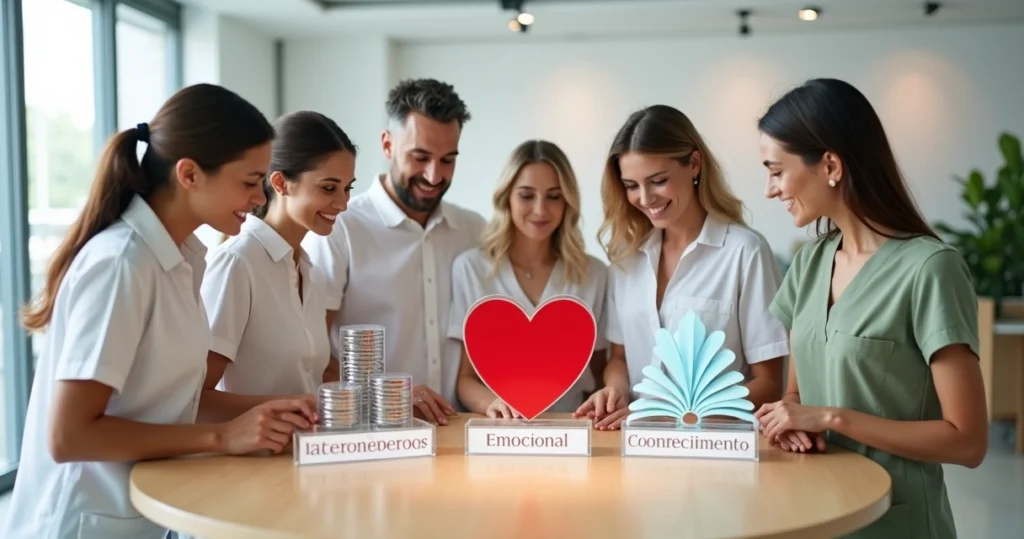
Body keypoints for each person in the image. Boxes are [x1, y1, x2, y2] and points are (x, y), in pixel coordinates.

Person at [0, 84, 317, 539]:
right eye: (249, 182)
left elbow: (174, 399)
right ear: (189, 174)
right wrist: (222, 437)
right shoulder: (120, 264)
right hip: (80, 523)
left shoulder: (183, 259)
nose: (259, 197)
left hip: (144, 515)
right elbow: (70, 436)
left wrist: (277, 409)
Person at [754, 78, 988, 539]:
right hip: (813, 513)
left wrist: (833, 418)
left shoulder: (930, 269)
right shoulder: (809, 263)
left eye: (776, 170)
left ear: (830, 165)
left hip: (893, 521)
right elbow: (799, 397)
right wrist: (789, 419)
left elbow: (969, 440)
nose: (770, 189)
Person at [575, 104, 789, 430]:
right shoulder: (626, 260)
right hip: (636, 447)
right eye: (631, 185)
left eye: (658, 181)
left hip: (718, 452)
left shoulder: (745, 252)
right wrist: (615, 390)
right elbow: (619, 358)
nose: (645, 198)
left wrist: (670, 416)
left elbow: (769, 384)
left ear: (694, 163)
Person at [304, 78, 486, 426]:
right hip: (370, 434)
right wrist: (394, 400)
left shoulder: (474, 231)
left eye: (448, 159)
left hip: (457, 432)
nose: (435, 175)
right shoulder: (339, 228)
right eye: (420, 157)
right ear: (388, 145)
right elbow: (315, 356)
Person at [199, 111, 358, 412]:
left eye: (347, 188)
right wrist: (289, 407)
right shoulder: (237, 264)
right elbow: (196, 397)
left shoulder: (311, 272)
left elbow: (308, 374)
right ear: (281, 183)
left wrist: (393, 393)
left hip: (302, 454)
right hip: (249, 458)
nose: (343, 203)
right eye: (329, 188)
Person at [449, 140, 608, 418]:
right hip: (500, 435)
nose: (540, 210)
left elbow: (598, 376)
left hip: (569, 433)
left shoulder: (593, 274)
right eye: (526, 195)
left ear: (568, 201)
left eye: (554, 196)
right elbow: (465, 378)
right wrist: (494, 406)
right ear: (506, 197)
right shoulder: (471, 269)